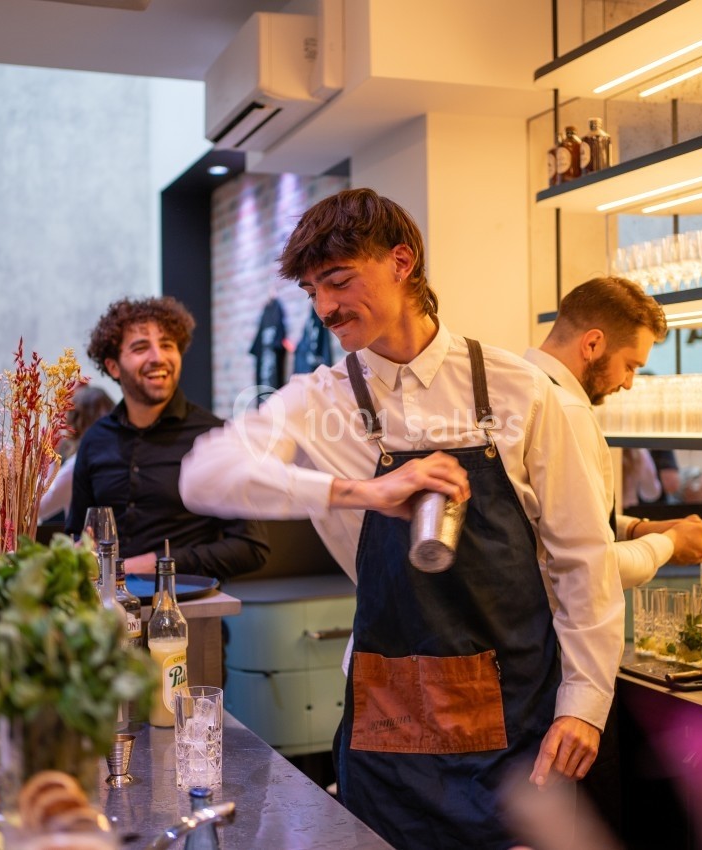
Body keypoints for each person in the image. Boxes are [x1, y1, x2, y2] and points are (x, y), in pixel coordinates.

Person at [179, 188, 624, 850]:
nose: (324, 307)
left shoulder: (519, 390)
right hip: (390, 720)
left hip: (518, 708)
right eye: (312, 291)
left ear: (400, 261)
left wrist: (586, 704)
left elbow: (582, 556)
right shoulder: (318, 399)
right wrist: (362, 490)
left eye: (337, 280)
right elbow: (204, 476)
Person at [524, 277, 702, 589]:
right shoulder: (567, 413)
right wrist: (670, 543)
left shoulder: (513, 385)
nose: (629, 382)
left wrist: (642, 529)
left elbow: (560, 520)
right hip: (556, 622)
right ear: (592, 344)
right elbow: (592, 563)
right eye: (630, 365)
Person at [64, 296, 269, 581]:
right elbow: (77, 532)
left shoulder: (218, 438)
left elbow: (251, 547)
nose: (158, 357)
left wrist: (158, 563)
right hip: (105, 617)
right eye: (140, 347)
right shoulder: (95, 440)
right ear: (113, 366)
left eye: (167, 345)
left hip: (189, 616)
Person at [38, 385, 113, 523]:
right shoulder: (125, 454)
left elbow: (39, 507)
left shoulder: (79, 463)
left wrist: (49, 459)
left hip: (88, 542)